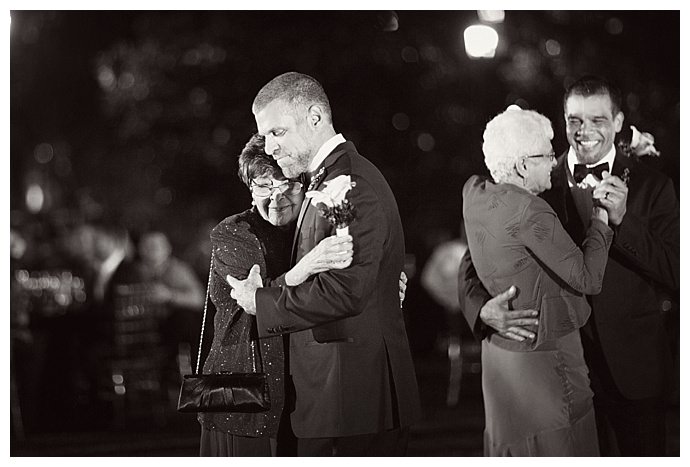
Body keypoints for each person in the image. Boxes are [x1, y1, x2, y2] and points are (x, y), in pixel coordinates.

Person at [458, 76, 680, 456]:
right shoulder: (538, 176)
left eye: (598, 120)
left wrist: (624, 221)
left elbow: (675, 269)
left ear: (619, 121)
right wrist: (481, 310)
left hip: (634, 369)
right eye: (575, 120)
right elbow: (473, 260)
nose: (585, 131)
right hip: (556, 368)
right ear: (563, 121)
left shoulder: (653, 185)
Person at [227, 72, 421, 456]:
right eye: (265, 136)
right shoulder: (327, 178)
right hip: (336, 397)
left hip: (353, 397)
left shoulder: (350, 183)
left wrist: (261, 302)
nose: (271, 146)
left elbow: (346, 291)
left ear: (315, 117)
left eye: (278, 132)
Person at [463, 106, 613, 456]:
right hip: (545, 360)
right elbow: (589, 278)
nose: (553, 162)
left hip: (501, 358)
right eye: (546, 155)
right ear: (521, 166)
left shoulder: (473, 193)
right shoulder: (530, 210)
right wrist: (602, 221)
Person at [198, 133, 355, 456]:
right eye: (264, 186)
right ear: (249, 187)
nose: (276, 197)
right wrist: (307, 267)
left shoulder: (312, 230)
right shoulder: (234, 233)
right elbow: (255, 301)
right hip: (244, 390)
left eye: (287, 185)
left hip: (304, 385)